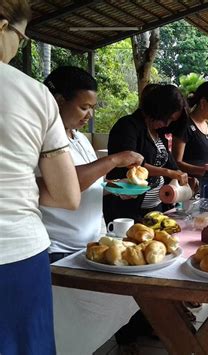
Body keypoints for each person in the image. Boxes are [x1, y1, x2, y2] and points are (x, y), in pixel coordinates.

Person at [0, 2, 81, 354]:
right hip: (14, 254)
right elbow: (67, 196)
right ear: (2, 27)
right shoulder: (32, 93)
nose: (18, 46)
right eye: (20, 36)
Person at [40, 66, 143, 263]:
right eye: (84, 107)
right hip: (59, 248)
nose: (89, 115)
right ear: (60, 101)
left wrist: (117, 188)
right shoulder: (43, 139)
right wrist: (114, 159)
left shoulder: (80, 139)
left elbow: (92, 181)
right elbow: (66, 184)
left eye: (92, 108)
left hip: (92, 244)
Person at [104, 84, 188, 224]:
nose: (167, 123)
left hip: (156, 208)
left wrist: (181, 175)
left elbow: (170, 163)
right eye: (166, 118)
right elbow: (131, 165)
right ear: (156, 110)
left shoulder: (159, 133)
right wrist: (168, 172)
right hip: (126, 209)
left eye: (172, 120)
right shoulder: (127, 126)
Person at [171, 81, 208, 178]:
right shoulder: (185, 125)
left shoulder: (207, 126)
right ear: (203, 103)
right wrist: (203, 170)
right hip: (188, 184)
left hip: (207, 182)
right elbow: (176, 162)